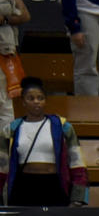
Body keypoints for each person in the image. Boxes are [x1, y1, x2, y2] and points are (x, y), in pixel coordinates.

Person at [3, 78, 88, 206]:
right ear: (23, 102)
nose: (36, 101)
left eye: (40, 98)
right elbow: (1, 166)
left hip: (53, 186)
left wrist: (78, 197)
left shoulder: (62, 126)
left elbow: (77, 162)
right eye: (31, 98)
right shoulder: (11, 129)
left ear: (45, 101)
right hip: (23, 188)